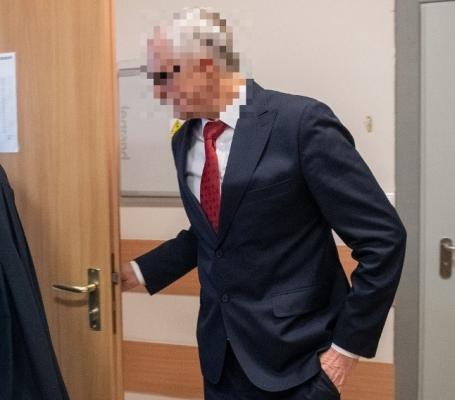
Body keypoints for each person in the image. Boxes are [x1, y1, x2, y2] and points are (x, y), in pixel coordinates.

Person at [120, 8, 406, 400]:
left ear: (205, 66)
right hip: (221, 360)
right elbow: (215, 235)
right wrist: (141, 270)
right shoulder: (183, 141)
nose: (157, 93)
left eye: (164, 77)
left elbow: (383, 239)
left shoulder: (299, 123)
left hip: (297, 362)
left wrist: (345, 351)